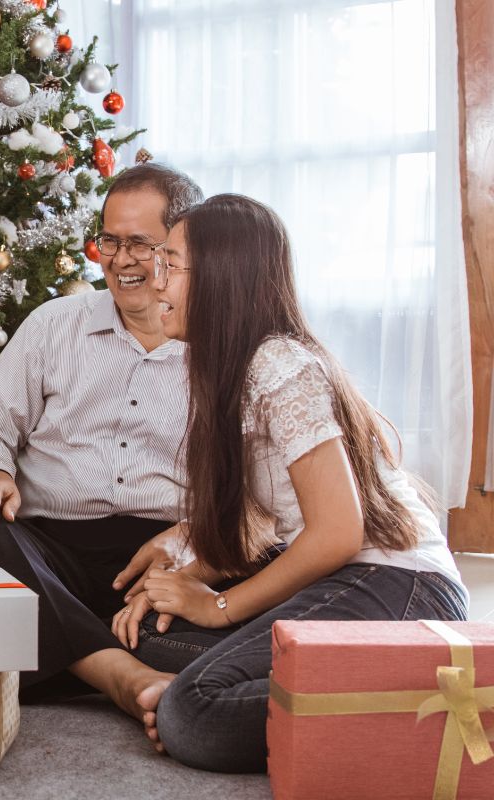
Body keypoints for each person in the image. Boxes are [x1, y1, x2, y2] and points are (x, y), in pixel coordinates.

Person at [114, 193, 467, 771]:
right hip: (351, 578)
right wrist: (182, 580)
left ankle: (420, 699)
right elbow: (261, 518)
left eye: (170, 265)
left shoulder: (280, 365)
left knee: (193, 714)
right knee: (153, 635)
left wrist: (221, 607)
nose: (156, 285)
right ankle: (387, 678)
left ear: (223, 278)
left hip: (398, 584)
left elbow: (338, 534)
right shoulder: (230, 371)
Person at [0, 163, 204, 715]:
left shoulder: (219, 347)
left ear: (180, 246)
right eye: (109, 239)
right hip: (46, 551)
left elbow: (256, 493)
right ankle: (122, 675)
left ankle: (57, 655)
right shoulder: (53, 324)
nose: (120, 259)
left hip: (160, 559)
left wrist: (193, 541)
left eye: (139, 243)